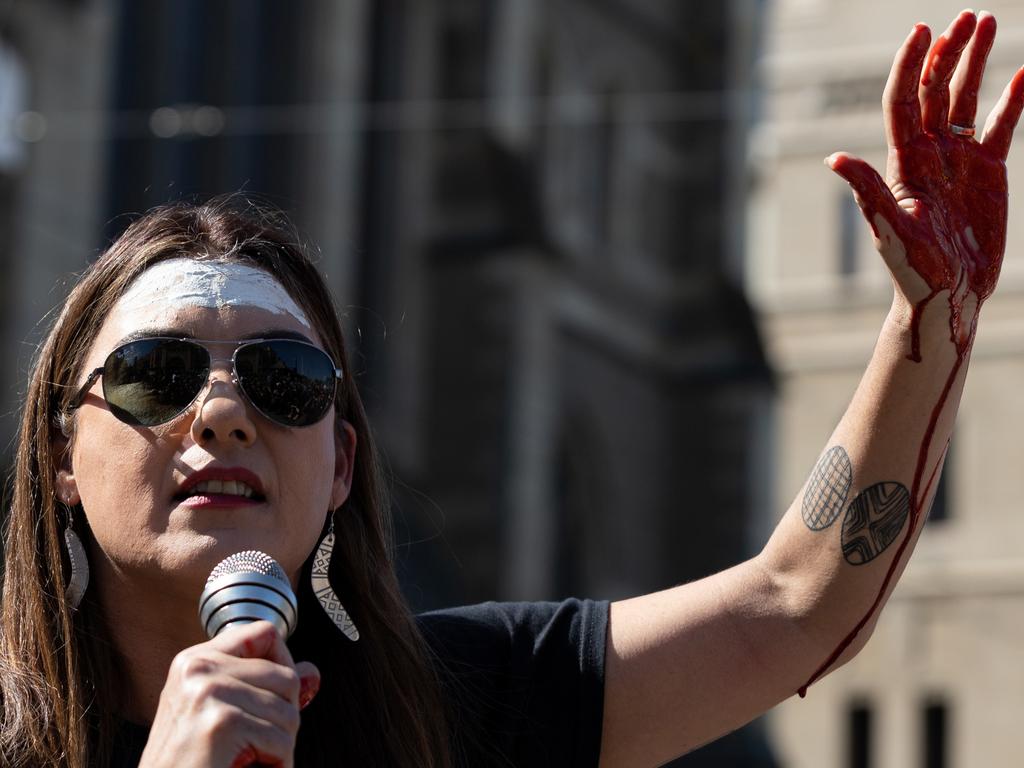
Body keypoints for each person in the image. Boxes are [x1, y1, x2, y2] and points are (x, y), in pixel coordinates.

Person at [1, 9, 1021, 768]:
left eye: (285, 379)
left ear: (344, 463)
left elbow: (791, 606)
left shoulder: (454, 707)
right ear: (59, 459)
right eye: (156, 375)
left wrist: (931, 323)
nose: (223, 412)